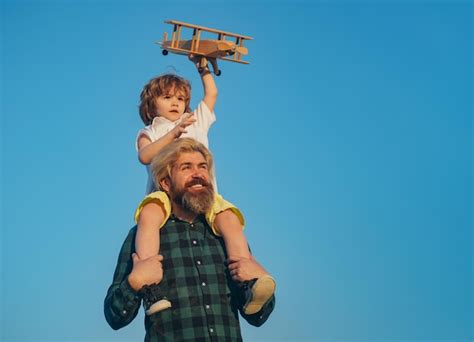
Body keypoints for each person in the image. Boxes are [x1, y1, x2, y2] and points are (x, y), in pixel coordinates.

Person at [134, 56, 275, 315]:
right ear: (151, 104)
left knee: (231, 221)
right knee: (148, 216)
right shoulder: (152, 130)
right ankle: (151, 288)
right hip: (166, 196)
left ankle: (248, 283)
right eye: (167, 97)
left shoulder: (194, 120)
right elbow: (145, 156)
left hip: (205, 196)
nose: (175, 103)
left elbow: (212, 93)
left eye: (180, 98)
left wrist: (203, 68)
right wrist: (173, 134)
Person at [104, 138, 276, 341]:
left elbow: (257, 317)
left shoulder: (226, 234)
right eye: (186, 167)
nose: (198, 174)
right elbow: (114, 316)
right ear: (165, 183)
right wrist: (134, 282)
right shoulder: (144, 234)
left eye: (203, 167)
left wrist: (257, 276)